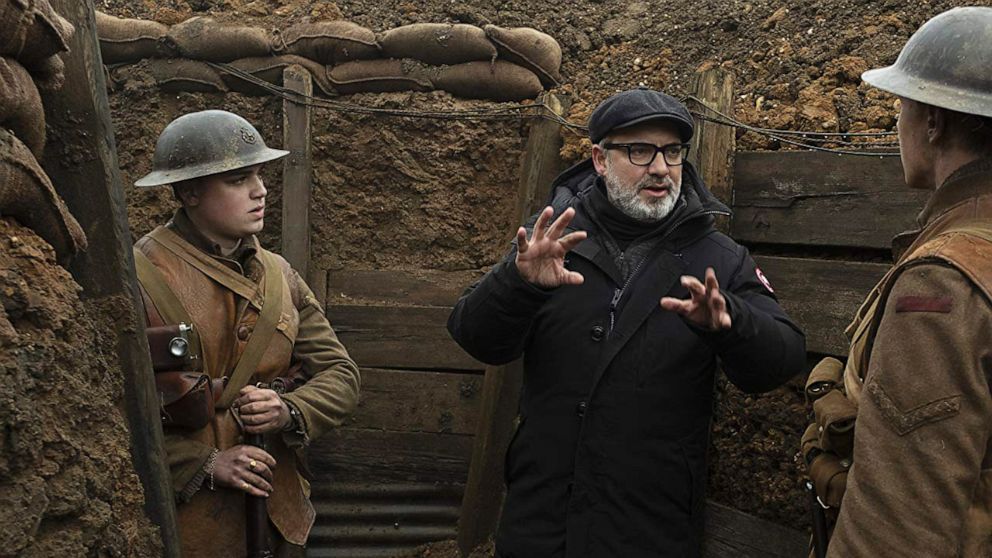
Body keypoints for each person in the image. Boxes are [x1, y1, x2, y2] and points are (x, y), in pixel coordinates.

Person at [448, 88, 806, 557]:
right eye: (639, 151)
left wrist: (730, 323)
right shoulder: (554, 238)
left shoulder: (718, 257)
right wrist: (519, 282)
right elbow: (476, 337)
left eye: (672, 151)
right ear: (599, 159)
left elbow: (783, 357)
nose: (660, 167)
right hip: (541, 520)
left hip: (649, 527)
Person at [132, 110, 361, 557]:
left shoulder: (279, 276)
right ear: (189, 191)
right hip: (187, 523)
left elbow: (341, 374)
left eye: (258, 175)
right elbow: (113, 410)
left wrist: (288, 410)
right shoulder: (137, 276)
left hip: (277, 512)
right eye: (238, 179)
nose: (260, 191)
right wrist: (206, 463)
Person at [806, 8, 992, 557]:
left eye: (903, 104)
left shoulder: (943, 284)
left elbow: (897, 532)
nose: (898, 120)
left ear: (933, 121)